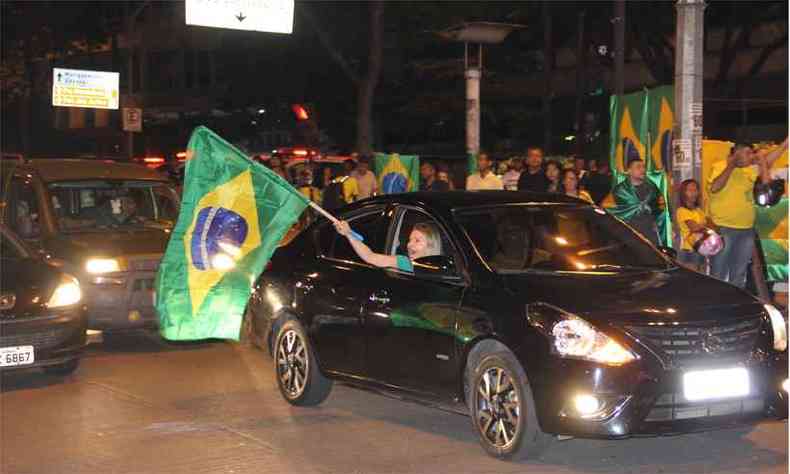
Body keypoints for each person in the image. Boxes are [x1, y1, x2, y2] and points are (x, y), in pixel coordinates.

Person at [708, 138, 788, 287]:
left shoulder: (748, 170)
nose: (752, 157)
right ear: (736, 153)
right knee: (718, 274)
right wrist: (731, 166)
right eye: (748, 153)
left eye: (752, 153)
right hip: (724, 229)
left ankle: (735, 307)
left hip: (746, 229)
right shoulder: (720, 166)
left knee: (739, 274)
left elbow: (768, 161)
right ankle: (715, 305)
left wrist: (785, 144)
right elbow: (715, 187)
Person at [333, 219, 441, 272]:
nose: (409, 245)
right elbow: (370, 257)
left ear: (431, 245)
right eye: (410, 240)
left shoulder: (446, 270)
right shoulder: (406, 263)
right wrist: (348, 234)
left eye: (417, 240)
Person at [612, 156, 664, 246]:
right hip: (628, 234)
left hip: (649, 233)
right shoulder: (620, 190)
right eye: (638, 167)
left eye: (643, 167)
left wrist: (657, 222)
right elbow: (610, 211)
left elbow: (660, 206)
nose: (642, 169)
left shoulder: (652, 188)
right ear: (629, 171)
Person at [675, 179, 708, 271]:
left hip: (701, 249)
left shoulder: (699, 210)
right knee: (691, 280)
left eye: (695, 190)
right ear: (683, 193)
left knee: (701, 279)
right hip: (688, 250)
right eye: (690, 190)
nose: (694, 193)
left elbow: (707, 226)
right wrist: (707, 227)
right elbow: (694, 227)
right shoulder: (681, 210)